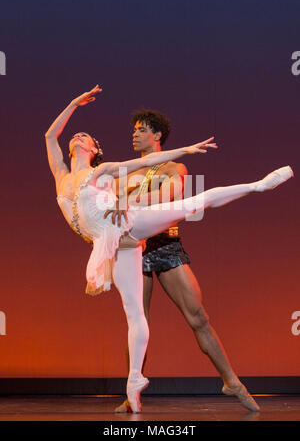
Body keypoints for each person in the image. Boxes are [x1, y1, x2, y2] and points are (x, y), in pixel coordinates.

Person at [45, 85, 293, 413]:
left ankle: (230, 380)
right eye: (133, 130)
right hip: (126, 242)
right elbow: (56, 146)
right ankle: (133, 385)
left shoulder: (168, 169)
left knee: (198, 317)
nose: (135, 135)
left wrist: (133, 198)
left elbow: (168, 195)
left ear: (157, 135)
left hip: (162, 244)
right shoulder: (108, 175)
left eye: (141, 130)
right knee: (136, 316)